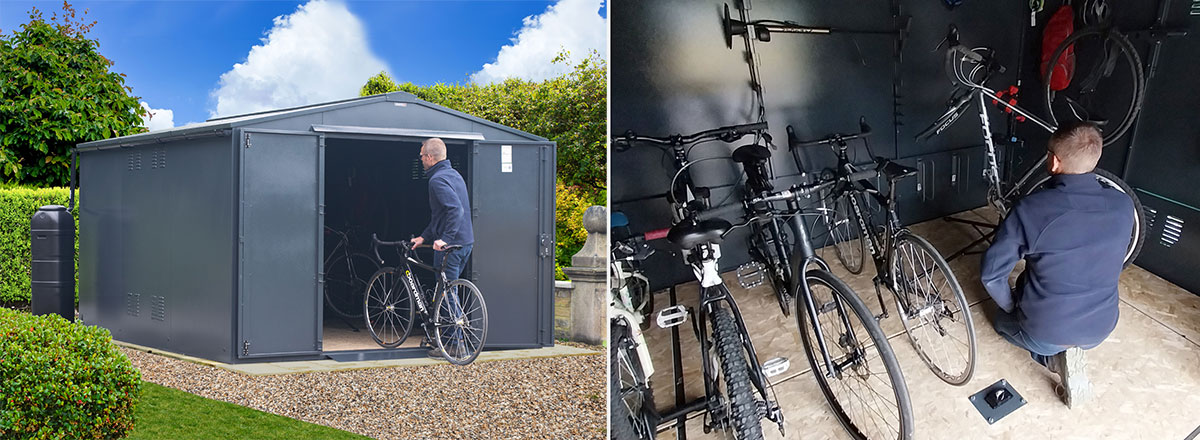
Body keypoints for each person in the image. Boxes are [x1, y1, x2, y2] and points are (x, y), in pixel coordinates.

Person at [980, 121, 1133, 409]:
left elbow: (991, 275)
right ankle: (1065, 344)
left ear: (1054, 161)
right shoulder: (1123, 205)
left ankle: (1050, 356)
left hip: (1045, 331)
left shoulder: (1032, 209)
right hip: (1102, 324)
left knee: (1001, 322)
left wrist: (1011, 305)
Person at [409, 138, 474, 358]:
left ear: (429, 157)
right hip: (465, 242)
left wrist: (444, 239)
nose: (420, 160)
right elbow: (441, 216)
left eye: (421, 156)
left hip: (451, 246)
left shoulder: (436, 180)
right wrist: (424, 237)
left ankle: (456, 344)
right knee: (448, 290)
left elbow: (456, 211)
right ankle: (447, 341)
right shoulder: (453, 175)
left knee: (447, 294)